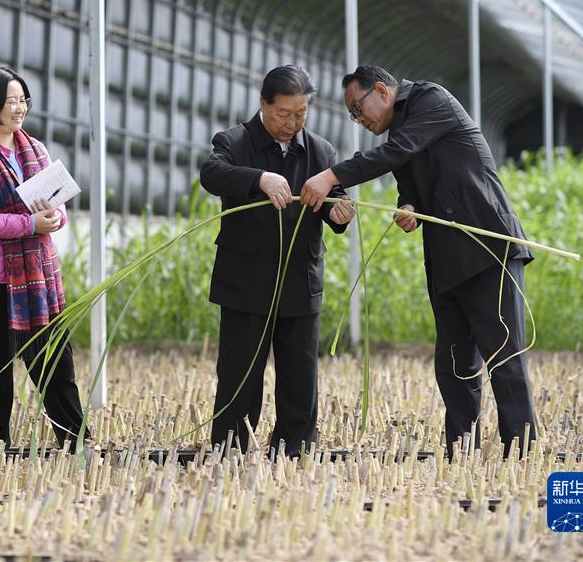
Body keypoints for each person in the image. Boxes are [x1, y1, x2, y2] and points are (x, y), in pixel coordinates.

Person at [300, 65, 537, 458]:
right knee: (455, 364)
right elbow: (410, 186)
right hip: (447, 259)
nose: (360, 121)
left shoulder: (431, 100)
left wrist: (331, 175)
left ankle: (522, 454)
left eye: (358, 110)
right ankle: (460, 452)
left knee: (504, 357)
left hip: (486, 248)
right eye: (353, 116)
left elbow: (397, 152)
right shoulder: (402, 131)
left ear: (381, 90)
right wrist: (407, 207)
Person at [200, 65, 356, 457]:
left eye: (300, 114)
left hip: (300, 282)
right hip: (245, 282)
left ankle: (295, 452)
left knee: (300, 378)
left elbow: (337, 202)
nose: (292, 123)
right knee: (240, 375)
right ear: (263, 104)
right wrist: (259, 179)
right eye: (284, 113)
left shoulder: (321, 151)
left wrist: (340, 214)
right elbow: (212, 174)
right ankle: (231, 452)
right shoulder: (234, 142)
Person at [0, 65, 89, 450]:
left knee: (56, 362)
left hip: (37, 276)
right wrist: (28, 224)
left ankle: (76, 442)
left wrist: (54, 218)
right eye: (11, 100)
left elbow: (58, 208)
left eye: (23, 99)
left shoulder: (35, 149)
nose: (19, 107)